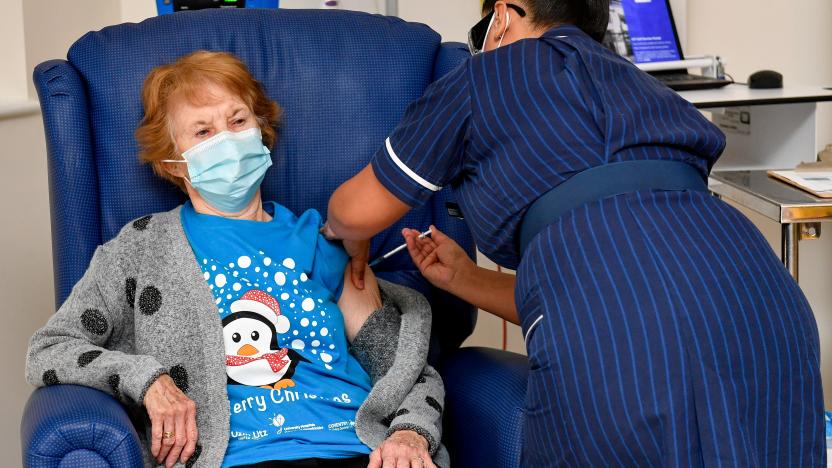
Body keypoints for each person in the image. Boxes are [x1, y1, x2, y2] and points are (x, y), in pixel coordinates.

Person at [324, 1, 826, 466]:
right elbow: (635, 278)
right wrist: (465, 278)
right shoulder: (646, 86)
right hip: (764, 303)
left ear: (502, 17)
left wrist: (346, 235)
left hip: (618, 331)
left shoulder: (485, 76)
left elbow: (355, 211)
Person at [26, 51, 449, 468]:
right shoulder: (141, 248)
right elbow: (49, 349)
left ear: (261, 130)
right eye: (203, 131)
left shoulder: (323, 242)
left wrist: (411, 435)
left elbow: (403, 368)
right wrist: (148, 381)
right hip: (240, 457)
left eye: (238, 121)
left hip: (356, 447)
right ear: (172, 161)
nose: (226, 140)